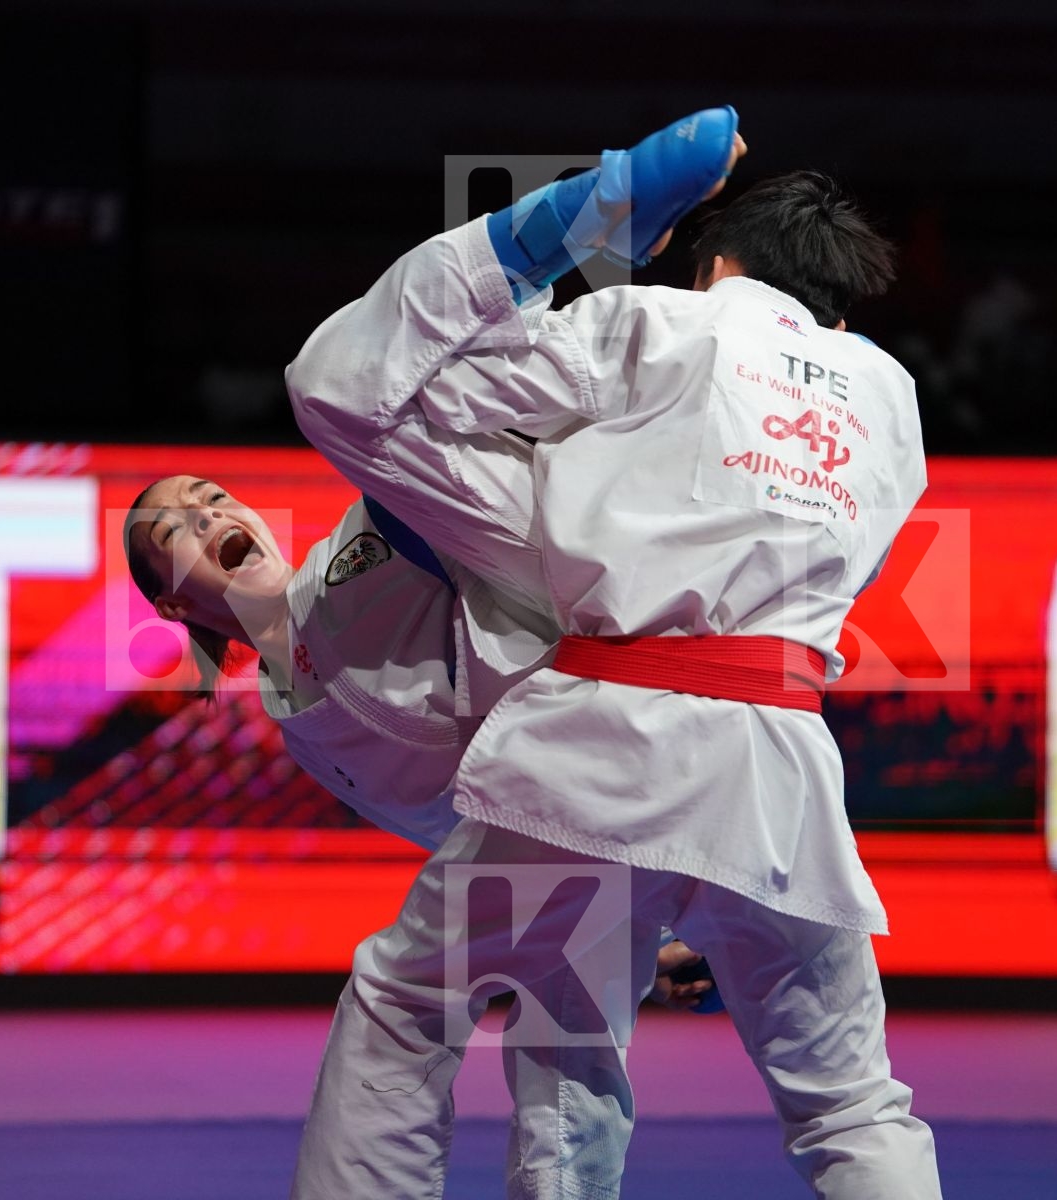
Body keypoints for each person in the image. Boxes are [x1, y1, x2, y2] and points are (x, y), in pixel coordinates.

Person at [285, 108, 942, 1197]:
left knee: (413, 1002)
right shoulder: (893, 399)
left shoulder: (664, 327)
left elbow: (373, 382)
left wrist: (565, 234)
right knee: (849, 1099)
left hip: (607, 750)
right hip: (779, 769)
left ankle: (560, 218)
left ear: (717, 261)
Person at [121, 473, 716, 1194]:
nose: (205, 512)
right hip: (554, 835)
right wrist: (657, 940)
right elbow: (449, 818)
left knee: (405, 1008)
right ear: (174, 602)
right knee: (568, 1087)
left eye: (213, 498)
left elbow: (423, 492)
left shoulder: (354, 558)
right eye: (175, 528)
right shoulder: (294, 722)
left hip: (614, 753)